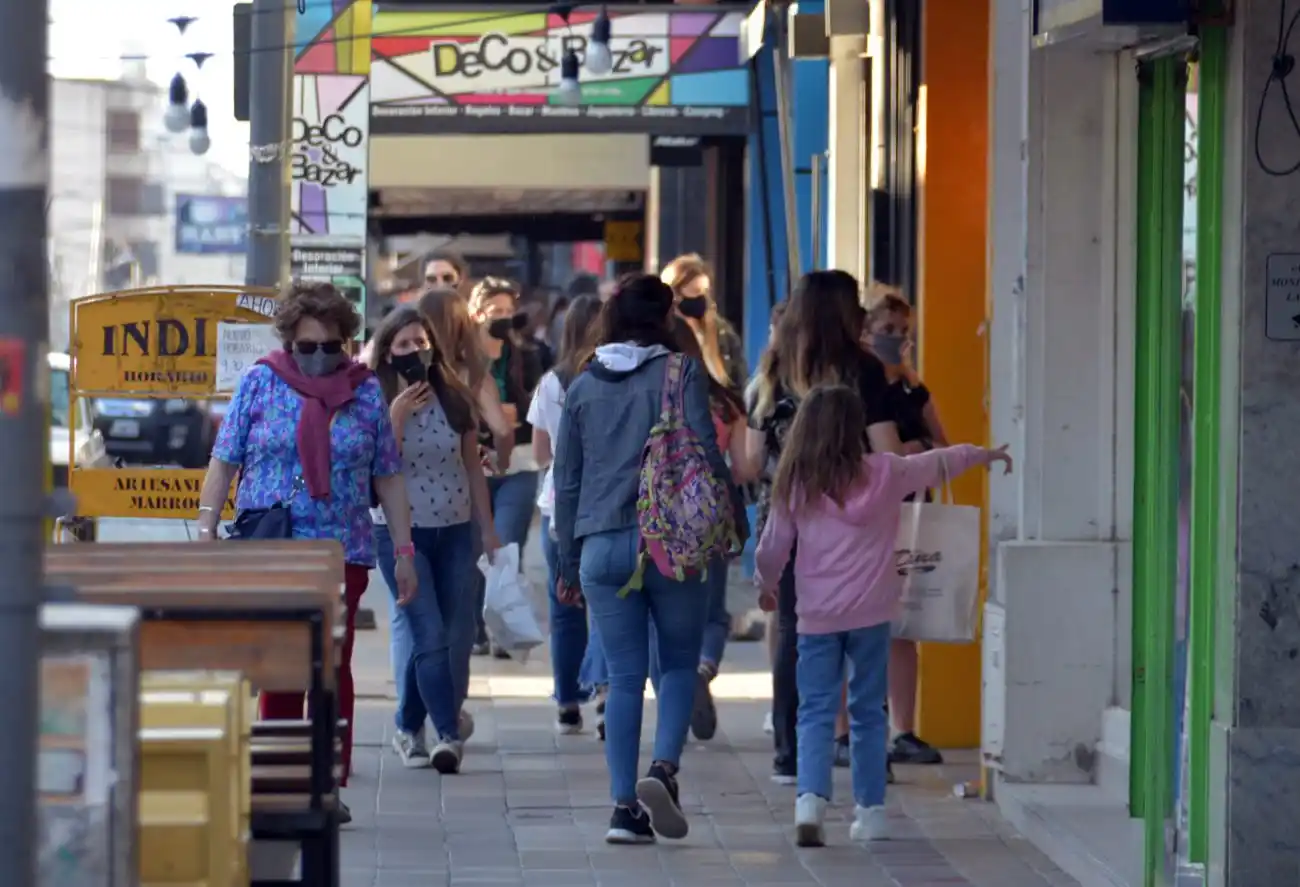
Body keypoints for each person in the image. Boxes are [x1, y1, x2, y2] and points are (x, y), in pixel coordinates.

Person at [196, 282, 416, 825]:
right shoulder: (260, 384)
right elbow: (224, 461)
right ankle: (277, 782)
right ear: (289, 341)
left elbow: (387, 477)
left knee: (329, 666)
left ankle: (323, 781)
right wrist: (205, 529)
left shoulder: (365, 393)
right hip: (271, 549)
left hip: (343, 552)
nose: (319, 357)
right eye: (307, 346)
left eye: (331, 346)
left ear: (346, 342)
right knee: (281, 664)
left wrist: (405, 550)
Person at [754, 384, 1011, 845]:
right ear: (856, 429)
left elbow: (773, 546)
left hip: (817, 616)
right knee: (869, 712)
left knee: (815, 710)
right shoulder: (886, 472)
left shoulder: (796, 483)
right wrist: (986, 454)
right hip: (872, 616)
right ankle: (869, 812)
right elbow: (938, 463)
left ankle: (810, 801)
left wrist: (767, 585)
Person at [552, 273, 734, 844]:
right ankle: (663, 769)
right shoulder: (681, 374)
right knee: (678, 664)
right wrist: (734, 522)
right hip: (674, 543)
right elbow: (706, 451)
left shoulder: (582, 385)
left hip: (602, 545)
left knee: (625, 677)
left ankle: (623, 810)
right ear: (665, 318)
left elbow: (566, 481)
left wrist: (565, 562)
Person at [744, 270, 905, 786]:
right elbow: (889, 454)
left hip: (787, 517)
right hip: (855, 528)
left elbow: (748, 463)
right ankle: (866, 753)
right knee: (865, 629)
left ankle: (790, 754)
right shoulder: (864, 370)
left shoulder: (771, 369)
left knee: (796, 632)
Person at [365, 305, 499, 774]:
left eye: (421, 343)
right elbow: (376, 469)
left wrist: (489, 529)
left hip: (456, 529)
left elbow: (472, 468)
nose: (414, 352)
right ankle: (446, 732)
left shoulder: (453, 396)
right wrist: (396, 419)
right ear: (385, 353)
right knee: (429, 631)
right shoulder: (375, 398)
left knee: (446, 631)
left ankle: (406, 725)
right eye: (403, 345)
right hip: (400, 533)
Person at [645, 317, 755, 741]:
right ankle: (703, 668)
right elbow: (744, 468)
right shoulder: (726, 402)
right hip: (711, 514)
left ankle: (671, 700)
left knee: (660, 615)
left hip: (657, 520)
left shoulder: (648, 396)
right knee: (712, 611)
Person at [416, 287, 514, 726]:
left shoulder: (406, 375)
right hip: (464, 506)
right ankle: (449, 715)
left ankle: (415, 719)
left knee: (415, 625)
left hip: (408, 515)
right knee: (457, 623)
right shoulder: (475, 374)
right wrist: (501, 461)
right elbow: (502, 429)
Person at [865, 288, 950, 766]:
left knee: (904, 623)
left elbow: (941, 442)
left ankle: (905, 728)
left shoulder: (914, 390)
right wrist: (909, 450)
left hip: (913, 512)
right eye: (887, 331)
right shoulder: (862, 384)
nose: (896, 340)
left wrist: (913, 450)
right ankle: (862, 722)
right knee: (863, 620)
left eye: (903, 332)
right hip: (871, 515)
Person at [527, 293, 604, 734]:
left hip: (560, 505)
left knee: (564, 607)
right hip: (607, 503)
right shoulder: (614, 377)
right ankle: (604, 694)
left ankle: (567, 702)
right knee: (608, 605)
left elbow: (540, 454)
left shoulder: (552, 382)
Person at [469, 277, 544, 657]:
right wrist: (491, 419)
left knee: (507, 543)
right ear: (477, 314)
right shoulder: (465, 361)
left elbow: (542, 410)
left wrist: (517, 415)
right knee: (476, 546)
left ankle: (501, 628)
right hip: (476, 464)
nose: (501, 318)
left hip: (519, 462)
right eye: (494, 311)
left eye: (507, 311)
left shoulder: (530, 355)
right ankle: (476, 625)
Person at [661, 253, 748, 393]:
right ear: (675, 296)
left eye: (706, 292)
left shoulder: (723, 334)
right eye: (696, 292)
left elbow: (739, 382)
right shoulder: (660, 335)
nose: (703, 299)